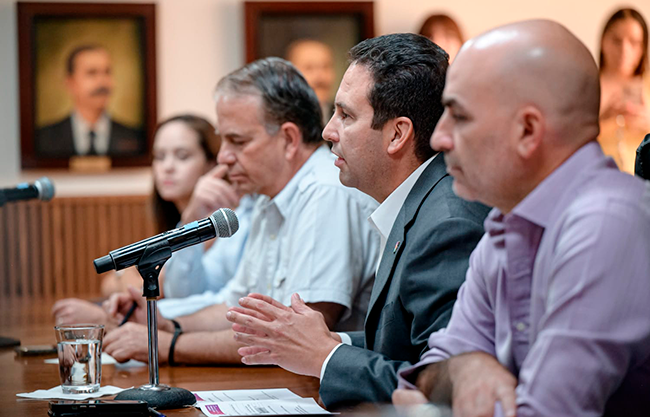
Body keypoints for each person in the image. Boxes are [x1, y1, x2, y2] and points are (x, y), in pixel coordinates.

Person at [391, 20, 650, 417]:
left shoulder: (605, 224)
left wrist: (450, 388)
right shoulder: (506, 221)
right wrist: (465, 367)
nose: (439, 138)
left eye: (459, 116)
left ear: (528, 130)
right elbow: (428, 372)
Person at [225, 33, 489, 408]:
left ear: (397, 134)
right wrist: (331, 343)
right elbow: (403, 344)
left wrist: (324, 356)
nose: (328, 131)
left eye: (346, 115)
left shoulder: (447, 224)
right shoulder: (422, 200)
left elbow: (440, 388)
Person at [101, 57, 380, 365]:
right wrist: (168, 324)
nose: (223, 157)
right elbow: (233, 306)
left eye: (237, 141)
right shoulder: (267, 198)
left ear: (289, 139)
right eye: (223, 141)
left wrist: (169, 345)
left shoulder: (325, 194)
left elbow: (293, 338)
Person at [52, 114, 248, 327]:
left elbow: (167, 290)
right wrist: (126, 276)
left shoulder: (228, 222)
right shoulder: (172, 218)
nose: (168, 167)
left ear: (211, 163)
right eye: (160, 157)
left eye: (182, 156)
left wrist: (109, 315)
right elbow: (110, 284)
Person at [36, 45, 144, 158]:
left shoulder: (135, 138)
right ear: (70, 83)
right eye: (92, 73)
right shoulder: (44, 139)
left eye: (107, 72)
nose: (102, 82)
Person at [598, 8, 650, 174]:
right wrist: (602, 120)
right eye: (616, 40)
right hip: (599, 179)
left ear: (643, 47)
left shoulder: (648, 85)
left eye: (634, 42)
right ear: (603, 41)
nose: (624, 50)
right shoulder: (586, 86)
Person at [285, 39, 336, 123]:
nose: (320, 77)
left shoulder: (346, 117)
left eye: (325, 67)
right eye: (309, 68)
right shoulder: (279, 119)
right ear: (289, 75)